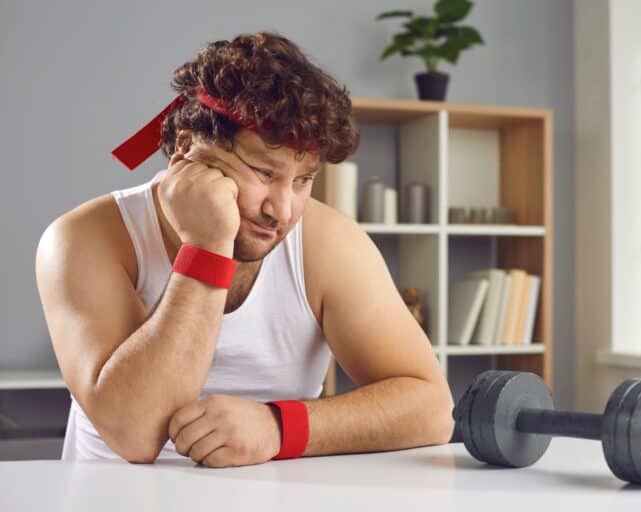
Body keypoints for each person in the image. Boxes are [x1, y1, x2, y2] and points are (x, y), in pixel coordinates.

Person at [35, 32, 454, 467]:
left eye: (303, 180)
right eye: (262, 171)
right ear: (187, 150)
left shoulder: (329, 244)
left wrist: (278, 428)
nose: (282, 209)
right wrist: (208, 246)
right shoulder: (83, 239)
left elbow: (432, 409)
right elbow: (134, 434)